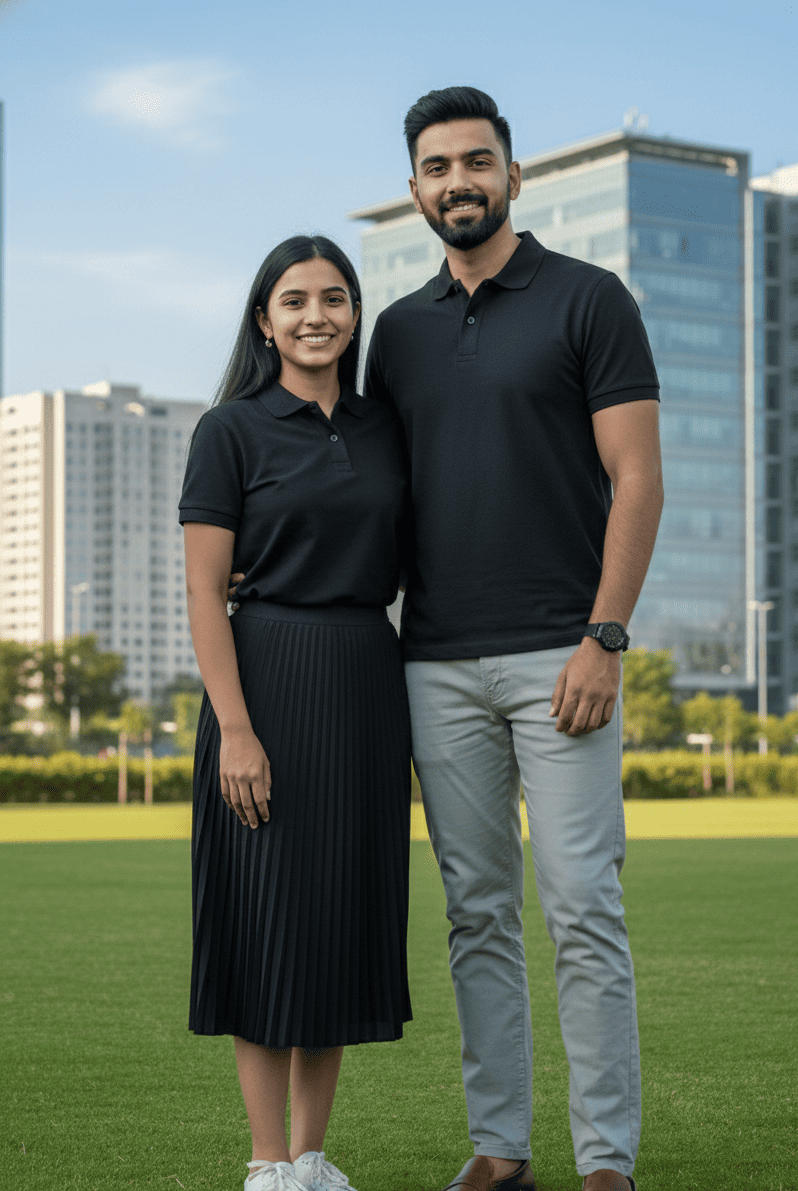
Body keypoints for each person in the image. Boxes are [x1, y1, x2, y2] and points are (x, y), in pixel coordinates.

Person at [364, 87, 663, 1191]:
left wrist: (604, 636)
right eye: (438, 167)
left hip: (563, 656)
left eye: (477, 161)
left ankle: (605, 1162)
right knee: (477, 915)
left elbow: (638, 478)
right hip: (434, 663)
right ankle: (500, 1149)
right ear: (415, 191)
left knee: (583, 907)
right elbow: (375, 496)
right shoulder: (396, 334)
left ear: (513, 176)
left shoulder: (591, 299)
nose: (460, 182)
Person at [179, 235, 412, 1191]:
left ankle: (314, 1158)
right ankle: (267, 1162)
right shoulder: (228, 430)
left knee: (340, 921)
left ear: (355, 313)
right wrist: (236, 729)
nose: (317, 315)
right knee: (266, 919)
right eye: (295, 300)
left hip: (366, 682)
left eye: (334, 297)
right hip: (266, 678)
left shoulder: (384, 426)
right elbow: (204, 591)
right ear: (265, 320)